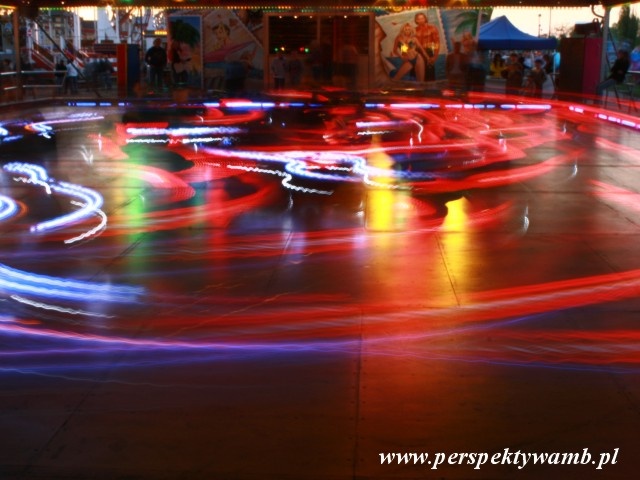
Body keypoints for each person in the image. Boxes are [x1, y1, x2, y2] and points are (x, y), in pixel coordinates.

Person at [414, 12, 439, 81]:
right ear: (416, 20)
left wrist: (435, 56)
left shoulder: (432, 28)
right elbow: (408, 42)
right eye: (419, 19)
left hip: (428, 51)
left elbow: (437, 43)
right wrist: (404, 53)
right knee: (417, 75)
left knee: (430, 74)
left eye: (422, 18)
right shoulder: (414, 30)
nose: (421, 20)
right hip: (417, 53)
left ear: (425, 19)